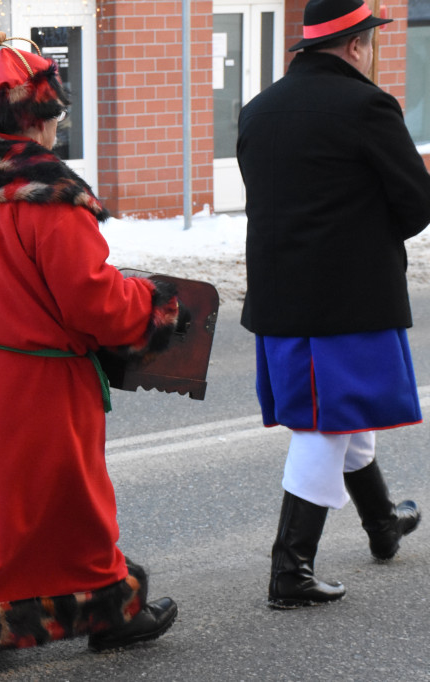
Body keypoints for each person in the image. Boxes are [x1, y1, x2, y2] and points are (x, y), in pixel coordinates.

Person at [0, 33, 182, 654]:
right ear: (39, 120)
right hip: (37, 384)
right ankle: (108, 609)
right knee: (73, 503)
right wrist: (156, 306)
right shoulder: (51, 196)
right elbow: (94, 302)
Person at [237, 0, 428, 609]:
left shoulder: (257, 110)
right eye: (370, 41)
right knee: (327, 425)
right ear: (355, 44)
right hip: (347, 299)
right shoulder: (369, 106)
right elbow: (416, 205)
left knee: (345, 416)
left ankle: (381, 523)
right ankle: (290, 569)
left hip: (278, 294)